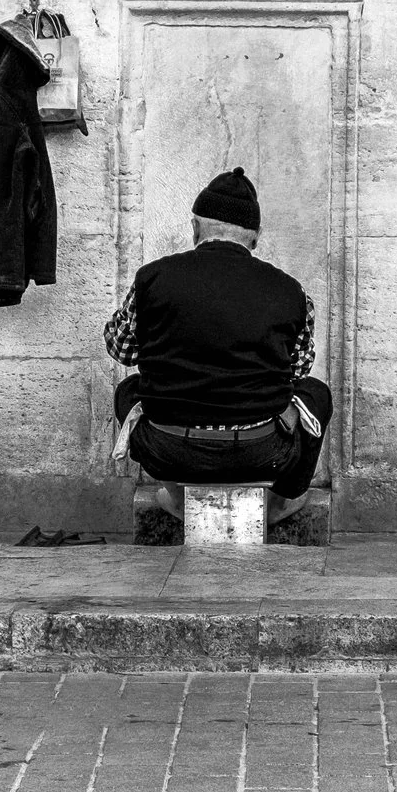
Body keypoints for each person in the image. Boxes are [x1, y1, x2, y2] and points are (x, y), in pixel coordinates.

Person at [103, 168, 331, 530]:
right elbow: (298, 370)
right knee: (316, 394)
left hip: (169, 448)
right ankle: (278, 502)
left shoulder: (152, 278)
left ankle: (176, 496)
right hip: (263, 451)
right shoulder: (292, 292)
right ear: (255, 237)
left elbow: (121, 349)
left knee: (127, 391)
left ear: (195, 228)